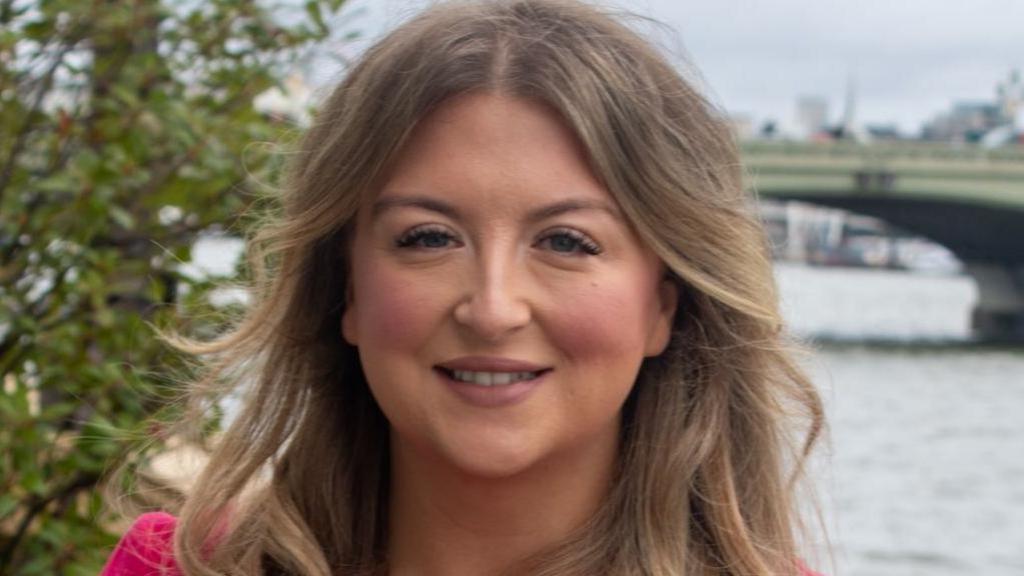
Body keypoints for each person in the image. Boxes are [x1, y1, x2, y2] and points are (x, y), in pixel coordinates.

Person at [102, 0, 826, 574]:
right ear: (346, 289)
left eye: (567, 242)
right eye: (428, 238)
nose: (492, 308)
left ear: (663, 307)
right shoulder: (176, 568)